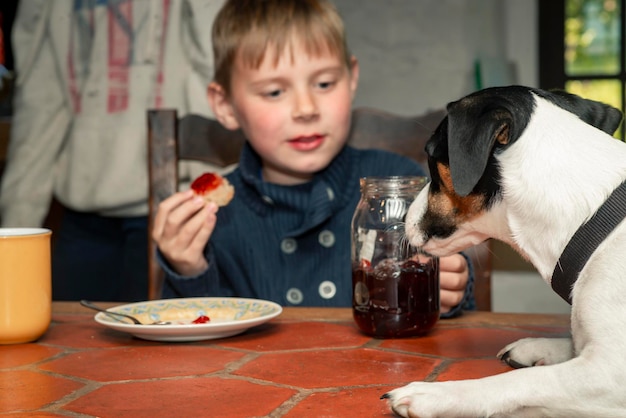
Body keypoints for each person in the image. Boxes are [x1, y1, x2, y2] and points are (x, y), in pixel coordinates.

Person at [152, 0, 474, 316]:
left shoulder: (397, 184)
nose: (306, 109)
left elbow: (455, 313)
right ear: (224, 105)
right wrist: (189, 268)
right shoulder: (215, 217)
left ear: (351, 79)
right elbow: (197, 339)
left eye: (324, 83)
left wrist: (451, 287)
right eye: (274, 92)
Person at [0, 0, 225, 301]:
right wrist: (12, 236)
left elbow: (226, 62)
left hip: (185, 207)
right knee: (71, 337)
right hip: (84, 210)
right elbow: (40, 100)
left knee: (184, 339)